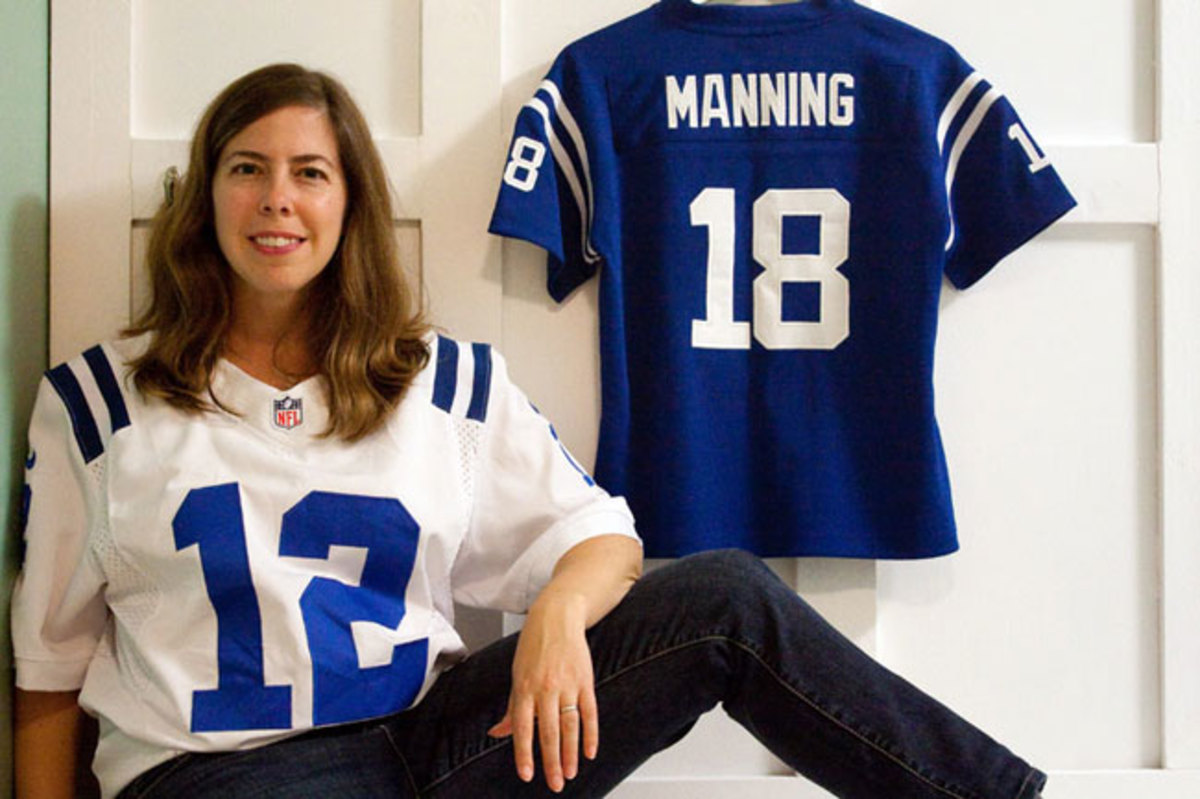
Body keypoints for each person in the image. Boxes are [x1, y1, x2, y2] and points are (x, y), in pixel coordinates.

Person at [12, 63, 1047, 799]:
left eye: (309, 172)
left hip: (431, 743)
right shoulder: (101, 405)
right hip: (226, 773)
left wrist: (554, 613)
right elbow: (49, 675)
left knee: (727, 595)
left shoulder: (439, 384)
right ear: (205, 195)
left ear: (349, 202)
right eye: (246, 167)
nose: (277, 199)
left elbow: (605, 539)